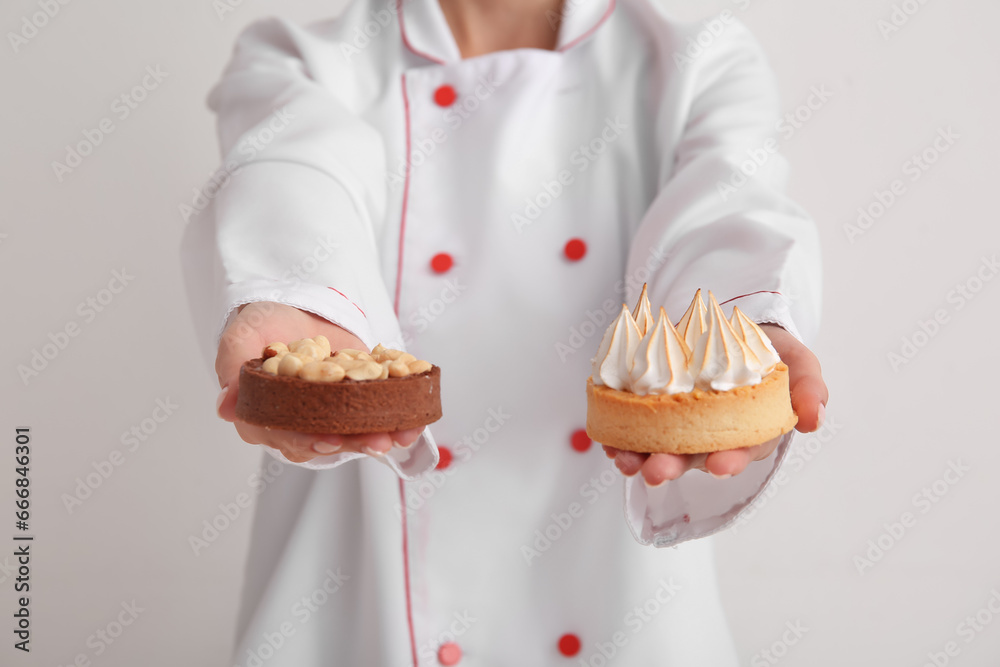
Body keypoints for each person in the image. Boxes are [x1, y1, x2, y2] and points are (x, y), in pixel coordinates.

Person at [181, 0, 829, 662]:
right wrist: (302, 295)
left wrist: (738, 326)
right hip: (356, 599)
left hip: (617, 598)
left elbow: (723, 207)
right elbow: (293, 170)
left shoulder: (697, 60)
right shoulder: (298, 60)